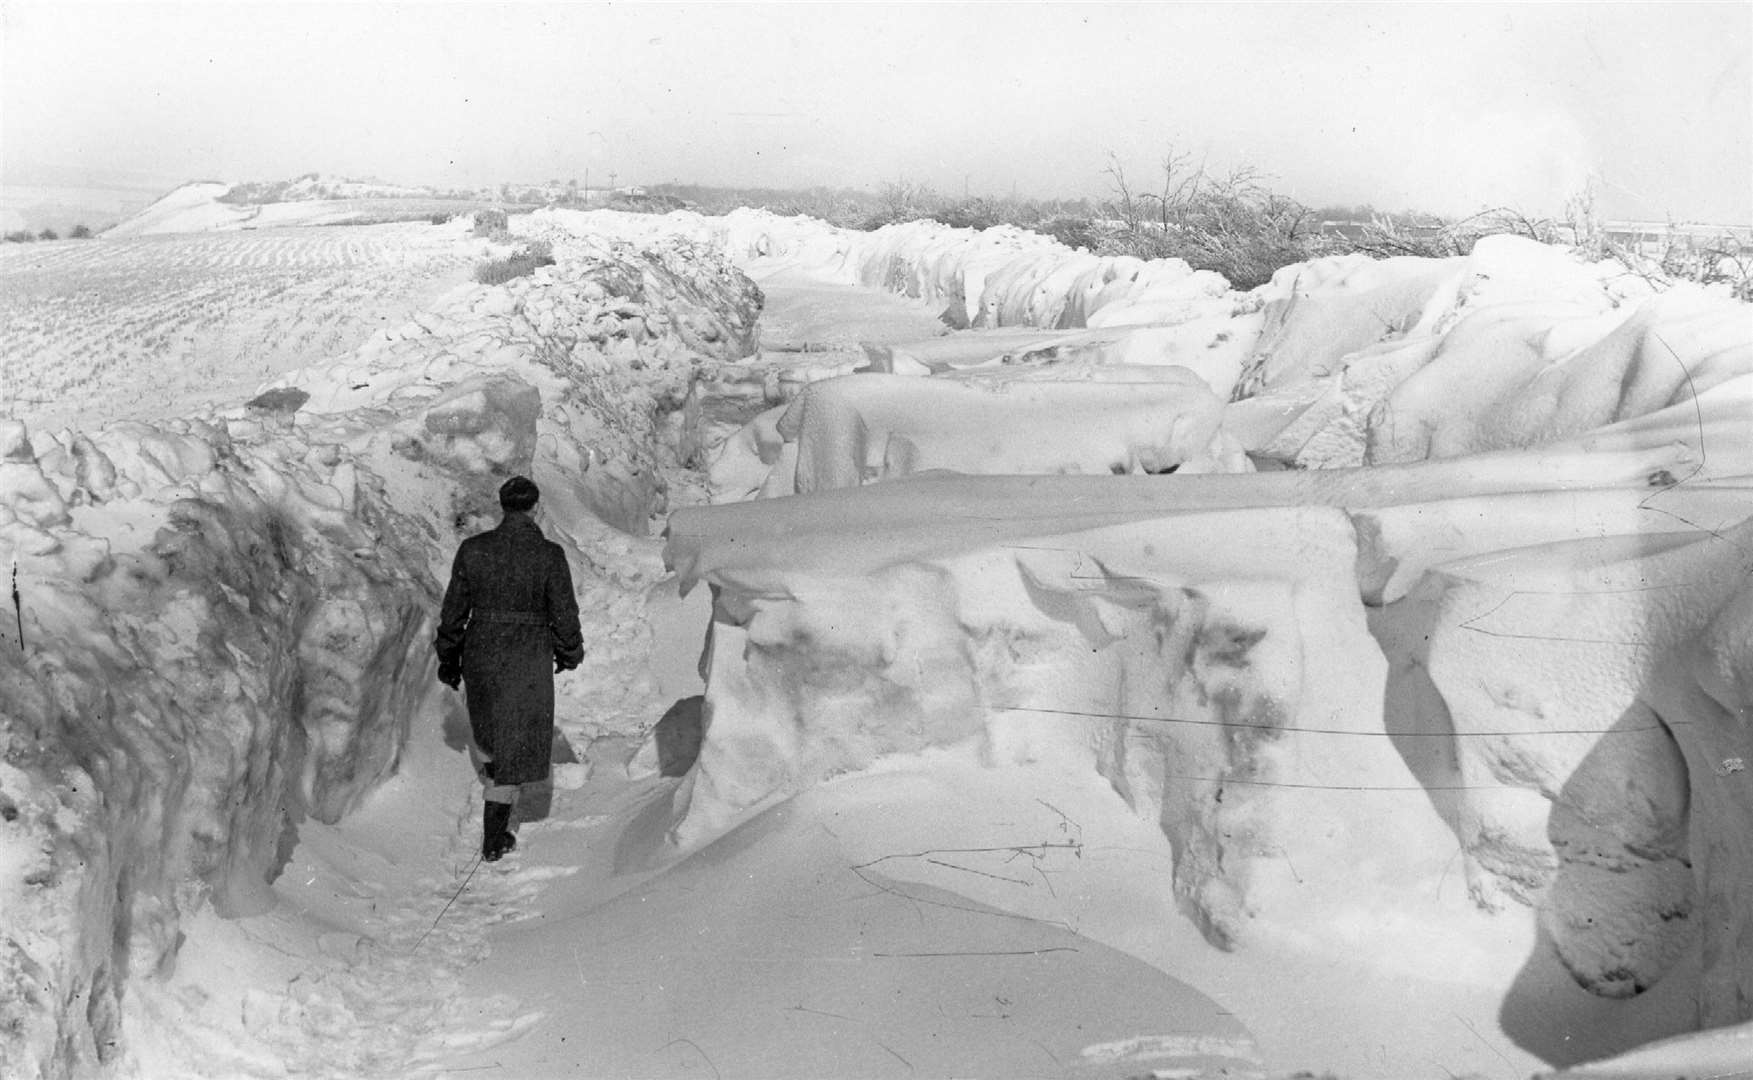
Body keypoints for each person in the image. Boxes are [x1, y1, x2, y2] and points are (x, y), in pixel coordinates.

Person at [435, 476, 584, 861]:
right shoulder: (550, 556)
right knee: (517, 738)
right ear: (535, 508)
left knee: (492, 735)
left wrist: (449, 658)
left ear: (502, 507)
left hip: (481, 650)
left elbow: (453, 613)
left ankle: (495, 828)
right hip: (528, 654)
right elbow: (564, 614)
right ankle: (494, 837)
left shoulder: (473, 550)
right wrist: (570, 652)